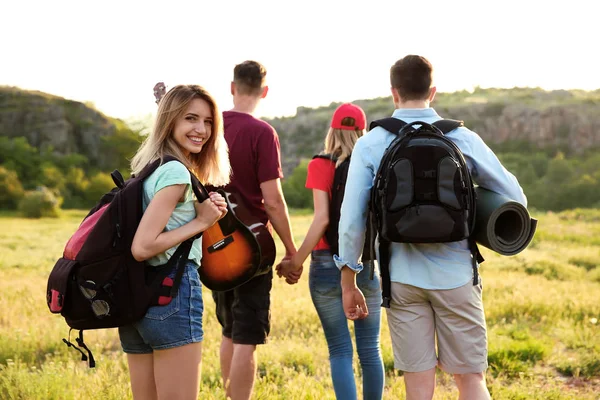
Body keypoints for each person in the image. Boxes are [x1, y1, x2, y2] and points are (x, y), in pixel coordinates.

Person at [336, 55, 527, 400]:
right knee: (470, 379)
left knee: (418, 387)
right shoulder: (462, 138)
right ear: (433, 91)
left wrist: (349, 279)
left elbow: (351, 220)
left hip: (402, 279)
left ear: (394, 93)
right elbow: (514, 197)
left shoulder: (371, 143)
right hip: (456, 275)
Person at [118, 84, 231, 400]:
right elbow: (142, 246)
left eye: (208, 121)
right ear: (170, 121)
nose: (201, 129)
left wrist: (198, 215)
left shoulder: (150, 168)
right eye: (190, 119)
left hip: (135, 298)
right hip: (172, 293)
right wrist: (200, 222)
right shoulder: (176, 174)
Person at [277, 103, 385, 399]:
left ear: (333, 131)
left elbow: (322, 219)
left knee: (339, 349)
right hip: (366, 263)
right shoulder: (374, 163)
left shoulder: (320, 165)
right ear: (362, 132)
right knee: (370, 350)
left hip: (326, 264)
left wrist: (294, 262)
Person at [213, 60, 298, 400]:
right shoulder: (263, 133)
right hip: (253, 248)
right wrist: (292, 250)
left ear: (232, 87)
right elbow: (273, 200)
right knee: (247, 338)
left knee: (229, 332)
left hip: (214, 246)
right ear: (264, 92)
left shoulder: (210, 127)